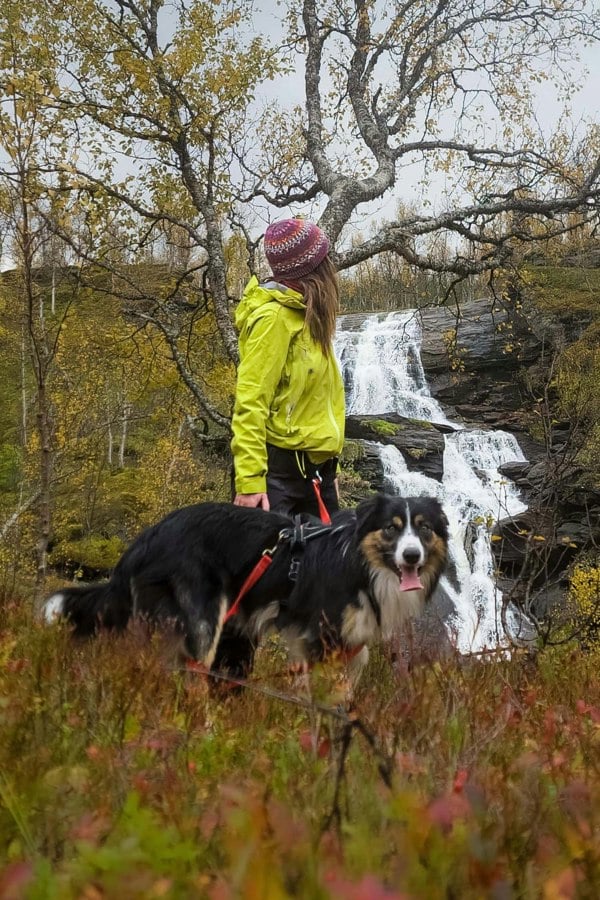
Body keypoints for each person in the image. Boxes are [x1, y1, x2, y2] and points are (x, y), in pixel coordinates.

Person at [231, 218, 345, 520]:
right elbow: (250, 402)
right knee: (275, 567)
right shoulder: (273, 319)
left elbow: (320, 403)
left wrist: (329, 465)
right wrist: (250, 482)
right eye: (325, 259)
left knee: (329, 567)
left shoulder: (311, 319)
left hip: (316, 476)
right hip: (276, 480)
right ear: (315, 268)